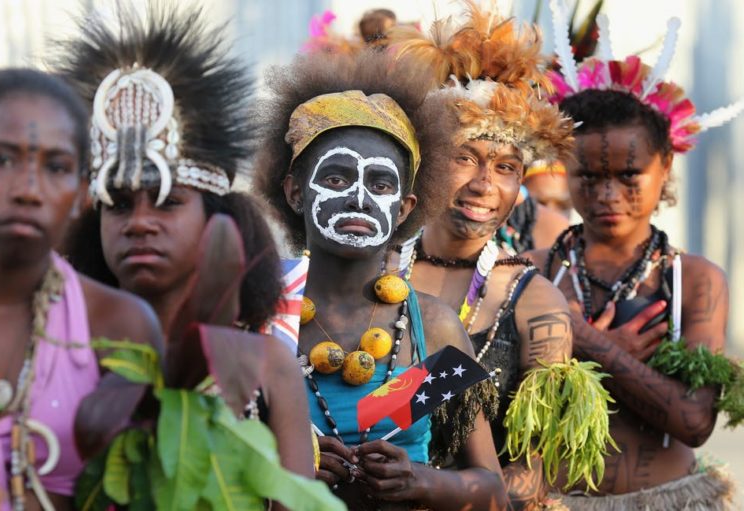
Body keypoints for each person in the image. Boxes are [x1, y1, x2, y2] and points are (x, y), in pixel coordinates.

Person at [56, 6, 314, 485]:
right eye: (117, 205)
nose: (139, 223)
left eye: (167, 203)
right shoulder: (63, 354)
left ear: (216, 220)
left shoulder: (268, 364)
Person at [253, 47, 507, 510]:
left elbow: (492, 493)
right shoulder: (258, 317)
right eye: (335, 179)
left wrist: (420, 482)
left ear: (405, 208)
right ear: (294, 192)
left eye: (382, 185)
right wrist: (285, 471)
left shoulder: (430, 327)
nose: (360, 199)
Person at [389, 7, 614, 508]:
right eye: (464, 157)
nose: (483, 184)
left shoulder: (535, 303)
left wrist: (427, 488)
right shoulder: (372, 266)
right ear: (424, 161)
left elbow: (532, 478)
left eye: (506, 167)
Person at [528, 11, 742, 510]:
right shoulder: (532, 271)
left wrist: (586, 341)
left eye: (629, 175)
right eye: (588, 176)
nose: (608, 195)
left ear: (665, 164)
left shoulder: (696, 281)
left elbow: (694, 422)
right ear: (564, 169)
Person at [0, 68, 164, 510]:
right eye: (2, 160)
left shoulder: (121, 326)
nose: (28, 190)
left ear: (81, 192)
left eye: (56, 167)